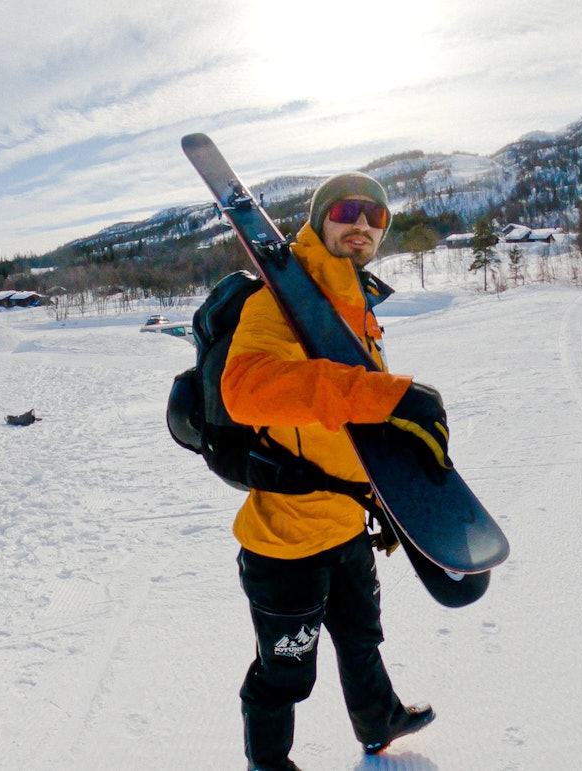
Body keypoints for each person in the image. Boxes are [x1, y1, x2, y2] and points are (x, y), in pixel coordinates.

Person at [221, 172, 446, 770]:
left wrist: (392, 494)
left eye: (377, 217)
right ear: (321, 218)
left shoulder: (356, 308)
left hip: (347, 524)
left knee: (362, 639)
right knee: (286, 675)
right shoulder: (278, 301)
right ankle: (268, 764)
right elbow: (244, 390)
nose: (364, 224)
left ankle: (379, 720)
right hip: (286, 542)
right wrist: (388, 397)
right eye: (349, 210)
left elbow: (351, 422)